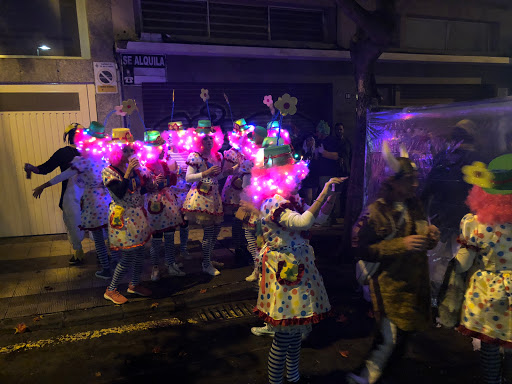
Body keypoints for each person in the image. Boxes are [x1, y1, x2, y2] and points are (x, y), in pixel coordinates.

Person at [242, 140, 346, 384]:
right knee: (284, 337)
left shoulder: (292, 200)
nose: (298, 179)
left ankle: (294, 377)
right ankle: (277, 381)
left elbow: (318, 220)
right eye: (292, 174)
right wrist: (323, 193)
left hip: (296, 266)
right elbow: (303, 223)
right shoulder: (273, 203)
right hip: (283, 268)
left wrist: (329, 198)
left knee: (296, 332)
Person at [348, 142, 440, 384]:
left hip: (413, 285)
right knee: (388, 338)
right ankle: (366, 377)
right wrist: (402, 244)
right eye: (409, 179)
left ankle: (385, 375)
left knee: (403, 336)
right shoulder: (376, 212)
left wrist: (432, 237)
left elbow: (421, 240)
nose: (415, 184)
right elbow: (361, 248)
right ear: (393, 183)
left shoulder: (415, 204)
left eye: (415, 178)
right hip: (389, 287)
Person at [450, 154, 512, 384]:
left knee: (490, 344)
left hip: (488, 293)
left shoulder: (476, 225)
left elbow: (462, 264)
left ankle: (492, 380)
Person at [32, 122, 113, 279]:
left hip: (96, 201)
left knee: (101, 232)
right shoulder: (80, 158)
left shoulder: (96, 158)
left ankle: (106, 264)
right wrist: (41, 181)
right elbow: (55, 172)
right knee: (82, 227)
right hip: (86, 199)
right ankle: (86, 255)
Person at [179, 120, 237, 276]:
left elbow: (216, 178)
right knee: (209, 231)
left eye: (211, 138)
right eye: (205, 138)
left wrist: (230, 171)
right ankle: (206, 264)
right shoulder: (195, 156)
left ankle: (208, 259)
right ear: (199, 141)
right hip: (201, 199)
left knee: (216, 229)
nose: (209, 141)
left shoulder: (217, 156)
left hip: (214, 197)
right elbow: (188, 178)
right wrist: (205, 173)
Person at [102, 128, 153, 305]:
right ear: (116, 152)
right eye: (125, 150)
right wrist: (127, 172)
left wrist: (153, 185)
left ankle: (134, 284)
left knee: (140, 252)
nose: (130, 153)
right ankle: (111, 289)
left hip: (138, 214)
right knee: (128, 256)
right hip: (123, 217)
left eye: (131, 150)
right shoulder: (109, 171)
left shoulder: (134, 170)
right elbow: (120, 192)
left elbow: (139, 190)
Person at [24, 123, 85, 265]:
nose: (80, 136)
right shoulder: (64, 152)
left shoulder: (90, 151)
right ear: (70, 135)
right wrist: (33, 168)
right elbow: (46, 168)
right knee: (72, 224)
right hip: (71, 196)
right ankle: (78, 251)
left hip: (91, 195)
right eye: (77, 133)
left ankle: (101, 252)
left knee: (96, 224)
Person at [142, 130, 185, 281]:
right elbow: (143, 188)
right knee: (156, 238)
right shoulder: (145, 167)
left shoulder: (163, 164)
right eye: (158, 147)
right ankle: (155, 267)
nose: (161, 150)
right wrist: (153, 183)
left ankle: (170, 263)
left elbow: (171, 181)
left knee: (170, 236)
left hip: (167, 203)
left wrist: (172, 174)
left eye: (162, 147)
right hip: (154, 205)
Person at [222, 119, 251, 260]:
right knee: (237, 218)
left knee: (246, 217)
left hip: (246, 186)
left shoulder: (249, 151)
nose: (244, 137)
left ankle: (245, 245)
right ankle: (238, 247)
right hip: (234, 189)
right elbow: (225, 171)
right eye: (241, 134)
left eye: (245, 134)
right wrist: (237, 167)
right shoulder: (231, 153)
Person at [163, 121, 191, 260]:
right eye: (172, 137)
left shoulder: (187, 154)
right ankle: (170, 253)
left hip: (185, 192)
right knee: (172, 224)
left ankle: (184, 249)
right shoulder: (165, 155)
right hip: (171, 194)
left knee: (185, 223)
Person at [314, 120, 341, 224]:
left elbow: (336, 155)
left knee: (328, 195)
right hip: (324, 173)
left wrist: (323, 153)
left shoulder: (330, 141)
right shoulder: (322, 141)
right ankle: (329, 217)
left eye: (318, 131)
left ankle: (329, 218)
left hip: (328, 173)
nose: (317, 134)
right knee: (328, 195)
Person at [334, 122, 352, 218]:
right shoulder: (333, 142)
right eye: (337, 129)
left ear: (343, 130)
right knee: (336, 193)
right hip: (336, 171)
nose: (339, 131)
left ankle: (343, 213)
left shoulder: (347, 142)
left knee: (345, 193)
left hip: (346, 170)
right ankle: (335, 214)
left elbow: (351, 156)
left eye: (341, 129)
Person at [299, 135, 318, 206]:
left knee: (314, 197)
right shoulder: (303, 152)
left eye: (311, 140)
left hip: (315, 175)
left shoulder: (316, 151)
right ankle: (306, 213)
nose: (310, 142)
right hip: (307, 177)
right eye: (308, 140)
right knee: (309, 197)